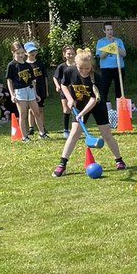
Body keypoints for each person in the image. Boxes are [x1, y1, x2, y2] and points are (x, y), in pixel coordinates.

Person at [52, 48, 127, 177]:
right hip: (80, 104)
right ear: (76, 65)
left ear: (91, 65)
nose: (84, 71)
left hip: (97, 105)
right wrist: (70, 99)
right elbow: (64, 85)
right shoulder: (70, 71)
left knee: (106, 134)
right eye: (81, 68)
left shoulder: (96, 77)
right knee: (74, 134)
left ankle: (119, 161)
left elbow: (94, 99)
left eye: (87, 68)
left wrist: (81, 114)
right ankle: (62, 164)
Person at [5, 43, 39, 140]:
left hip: (30, 89)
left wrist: (35, 93)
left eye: (22, 53)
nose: (20, 55)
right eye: (18, 53)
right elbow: (9, 80)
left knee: (36, 111)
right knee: (23, 114)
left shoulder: (27, 65)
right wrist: (12, 94)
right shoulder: (11, 65)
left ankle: (42, 132)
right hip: (19, 91)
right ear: (13, 52)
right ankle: (24, 136)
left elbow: (32, 80)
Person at [95, 22, 128, 106]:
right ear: (104, 31)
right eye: (108, 30)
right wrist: (110, 47)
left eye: (111, 29)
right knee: (104, 88)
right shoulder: (100, 42)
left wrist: (116, 46)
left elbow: (124, 54)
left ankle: (120, 107)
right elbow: (101, 56)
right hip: (106, 68)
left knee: (119, 89)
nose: (110, 32)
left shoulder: (118, 41)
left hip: (119, 67)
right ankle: (103, 106)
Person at [24, 40, 50, 137]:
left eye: (34, 51)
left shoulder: (40, 63)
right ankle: (31, 127)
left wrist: (46, 90)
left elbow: (45, 77)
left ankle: (41, 126)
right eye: (30, 52)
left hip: (40, 88)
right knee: (31, 109)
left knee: (40, 109)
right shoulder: (25, 65)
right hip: (31, 89)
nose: (33, 53)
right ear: (26, 53)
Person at [52, 44, 77, 137]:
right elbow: (55, 77)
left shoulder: (78, 65)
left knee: (76, 109)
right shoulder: (61, 66)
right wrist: (57, 85)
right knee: (66, 109)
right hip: (65, 90)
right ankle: (66, 130)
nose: (70, 55)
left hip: (75, 90)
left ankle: (76, 128)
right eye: (68, 54)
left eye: (72, 53)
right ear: (64, 55)